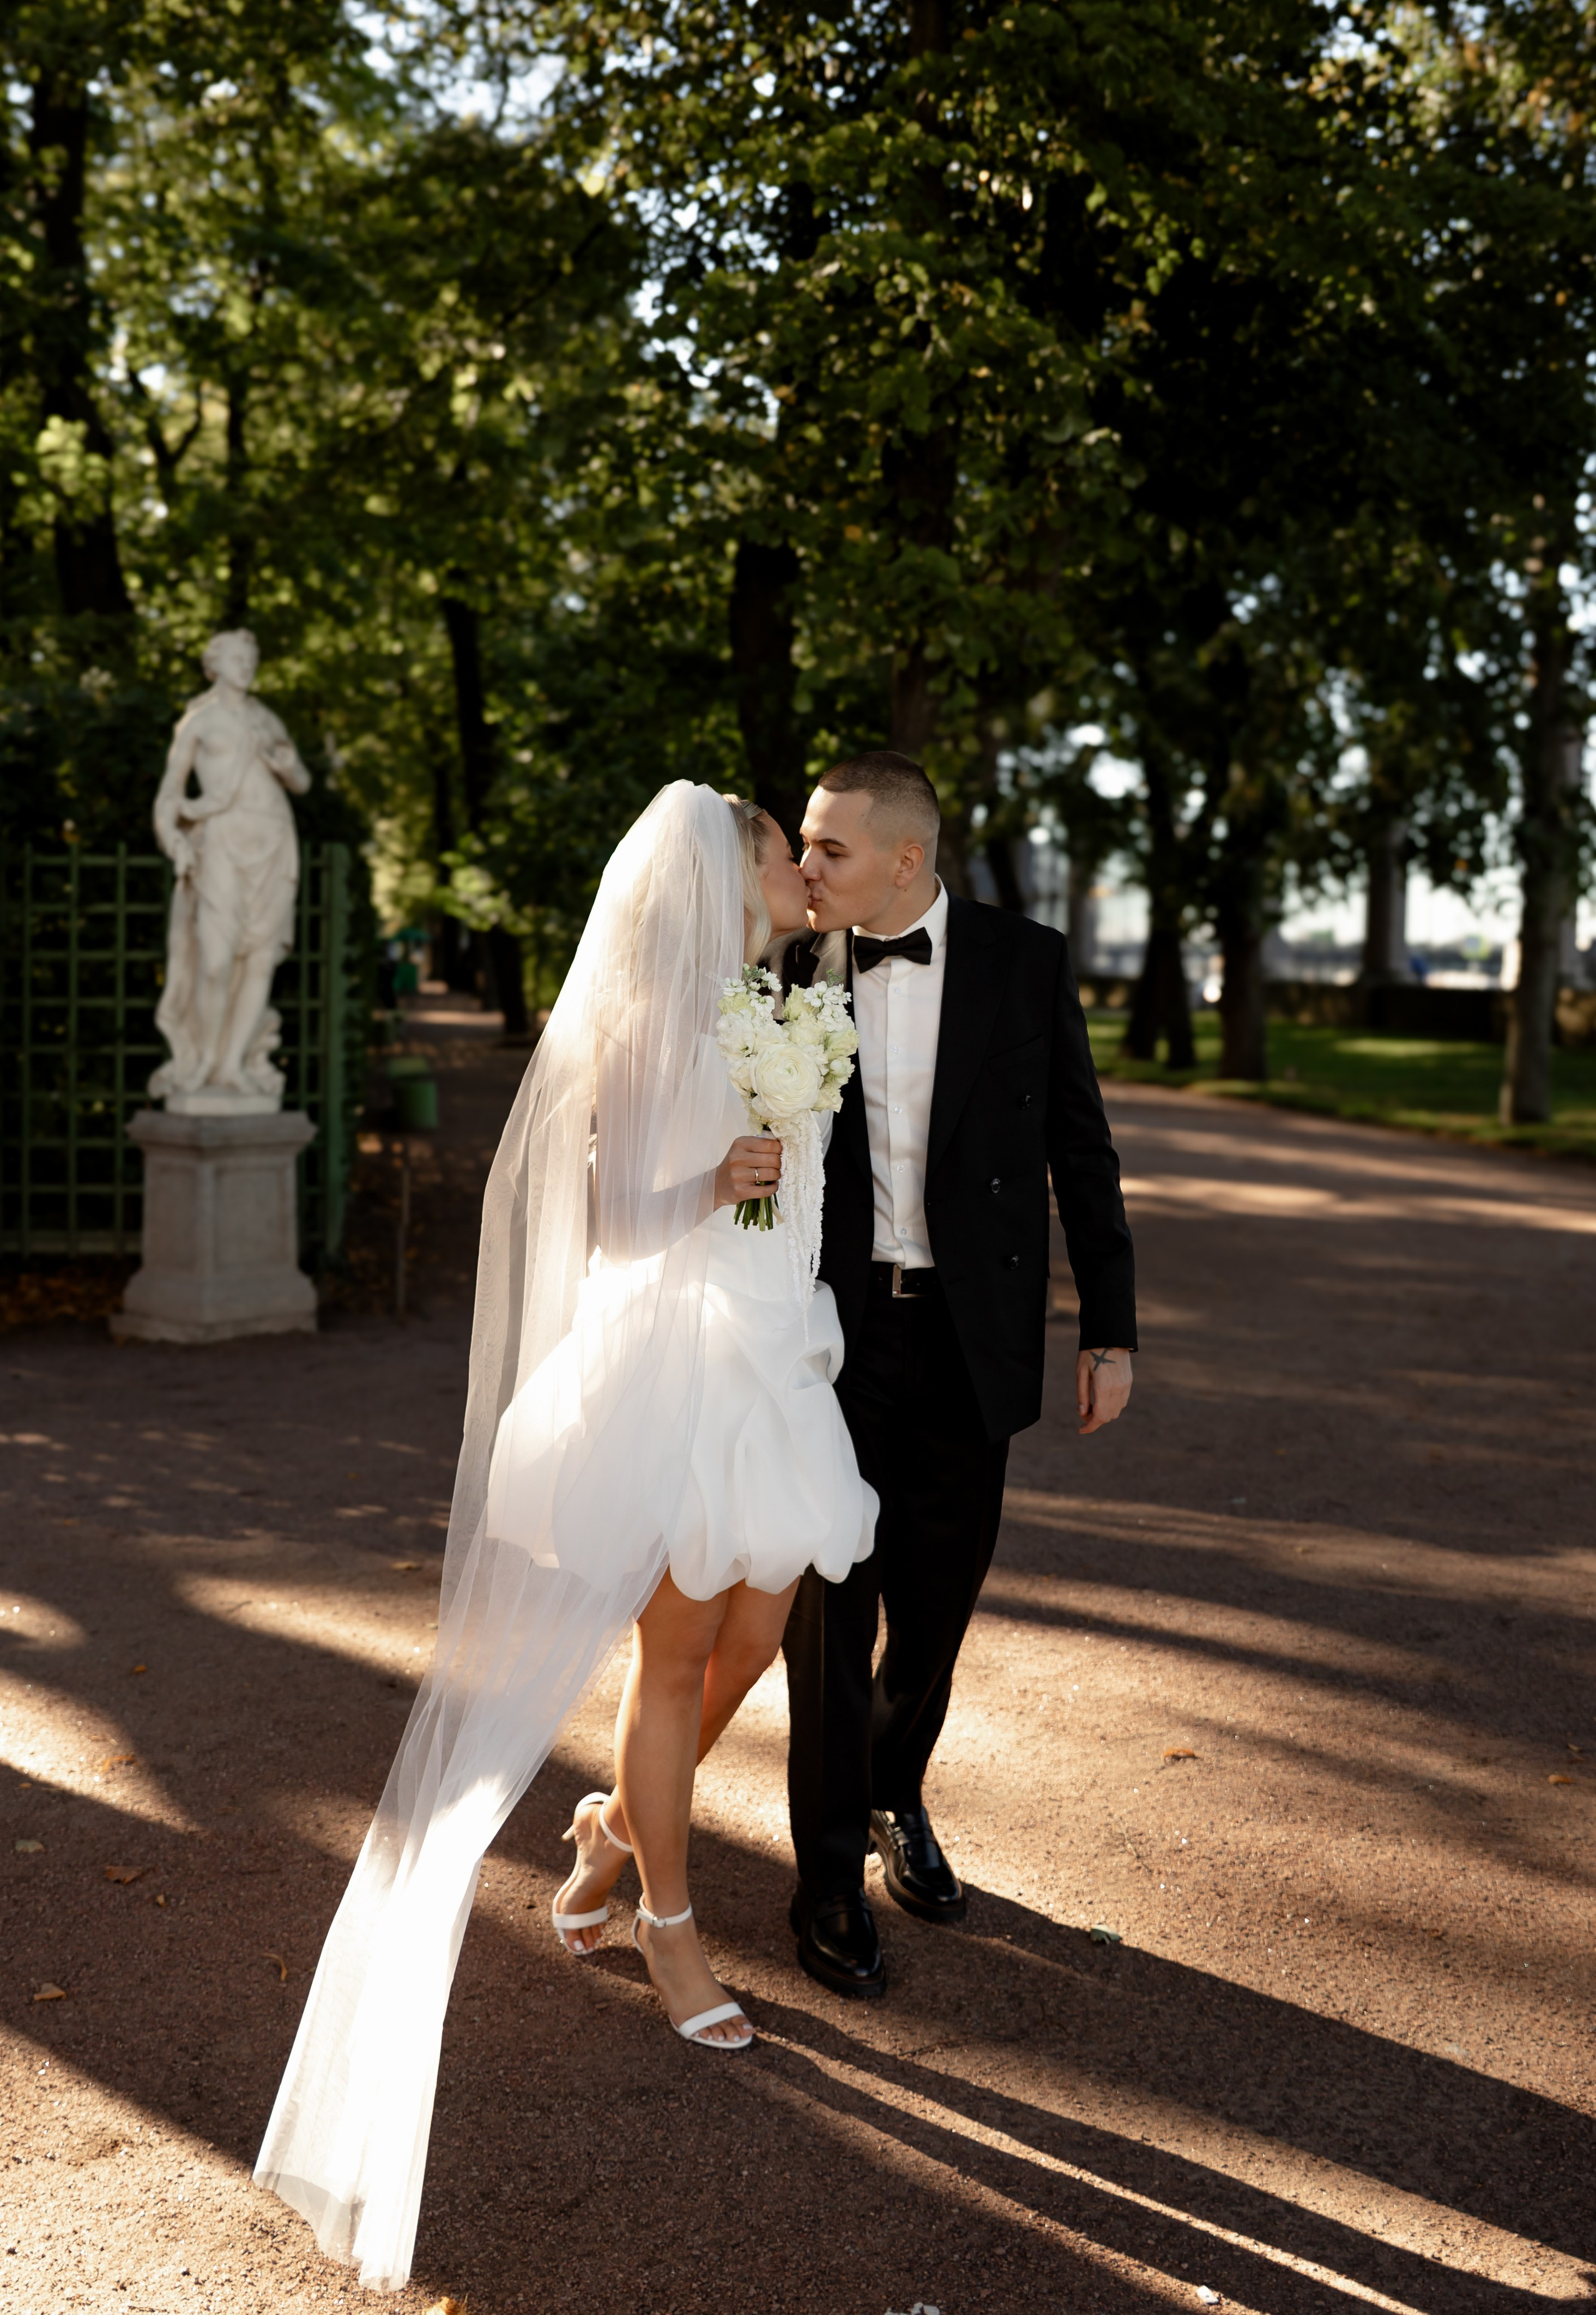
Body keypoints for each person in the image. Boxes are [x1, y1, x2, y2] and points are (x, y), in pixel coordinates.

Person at [255, 784, 875, 2292]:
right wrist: (707, 1182)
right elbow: (605, 1213)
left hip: (780, 1357)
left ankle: (604, 1832)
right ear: (710, 874)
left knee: (752, 1639)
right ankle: (661, 1920)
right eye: (770, 848)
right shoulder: (647, 1019)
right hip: (671, 1368)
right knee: (672, 1661)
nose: (796, 868)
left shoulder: (785, 997)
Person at [781, 751, 1137, 1997]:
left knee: (932, 1608)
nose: (803, 866)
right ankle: (822, 1871)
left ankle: (895, 1793)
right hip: (829, 1338)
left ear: (905, 859)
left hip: (968, 1331)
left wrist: (1109, 1325)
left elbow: (1076, 1152)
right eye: (803, 845)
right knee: (827, 1608)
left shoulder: (1024, 962)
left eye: (827, 847)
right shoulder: (779, 966)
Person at [149, 629, 310, 1104]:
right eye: (238, 657)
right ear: (214, 665)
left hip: (274, 841)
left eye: (252, 657)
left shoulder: (267, 718)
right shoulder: (199, 721)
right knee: (216, 961)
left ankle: (234, 1064)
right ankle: (202, 1060)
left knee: (260, 960)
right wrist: (173, 837)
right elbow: (169, 794)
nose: (247, 665)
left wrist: (288, 762)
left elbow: (300, 781)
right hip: (221, 841)